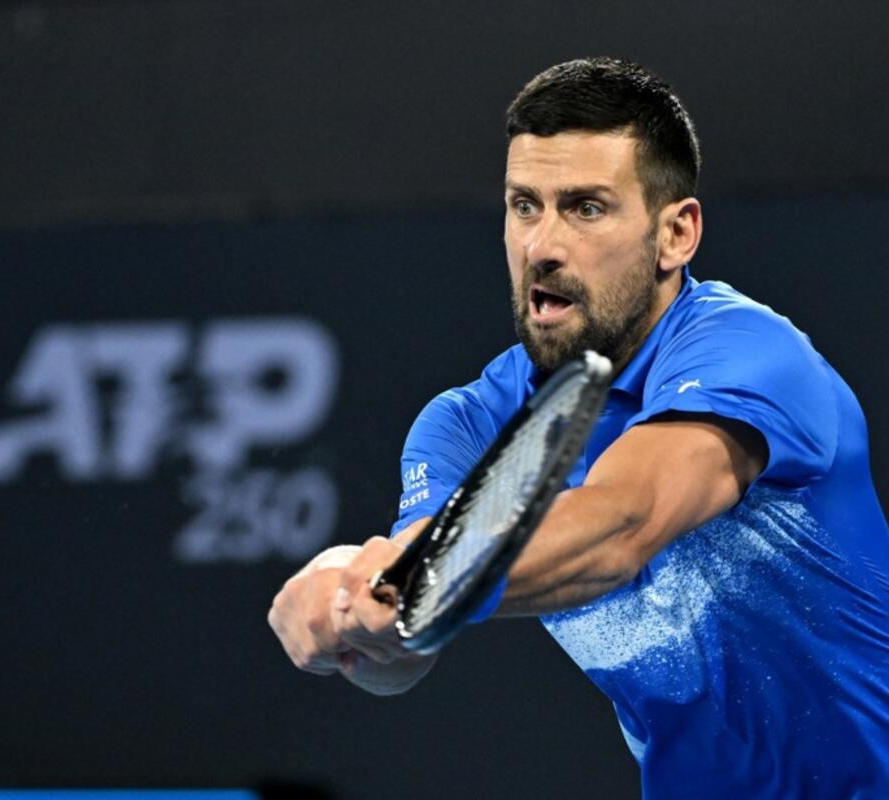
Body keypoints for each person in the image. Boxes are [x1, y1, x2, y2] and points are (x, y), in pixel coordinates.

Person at [267, 57, 889, 798]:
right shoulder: (465, 424)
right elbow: (405, 648)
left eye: (586, 208)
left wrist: (408, 580)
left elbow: (622, 524)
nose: (541, 245)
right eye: (524, 206)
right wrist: (352, 613)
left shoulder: (750, 354)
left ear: (676, 234)